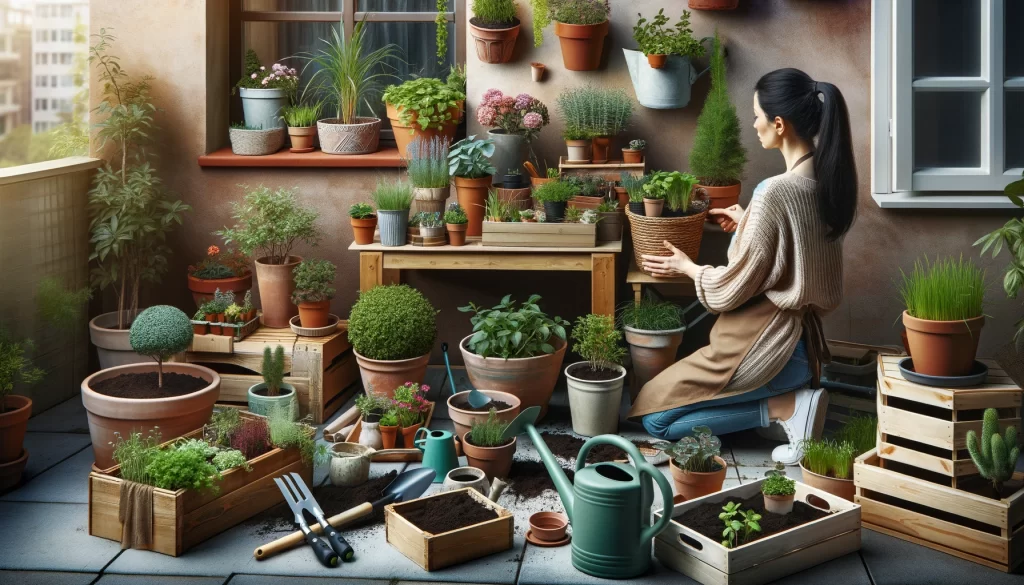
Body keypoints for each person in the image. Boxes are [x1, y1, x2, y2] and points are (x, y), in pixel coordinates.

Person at [627, 68, 857, 465]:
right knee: (664, 402)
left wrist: (688, 267)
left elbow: (729, 291)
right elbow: (798, 255)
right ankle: (785, 406)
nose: (754, 124)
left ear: (779, 124)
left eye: (757, 115)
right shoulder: (827, 181)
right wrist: (749, 220)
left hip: (769, 348)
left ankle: (785, 407)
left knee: (657, 421)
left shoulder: (775, 191)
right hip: (802, 347)